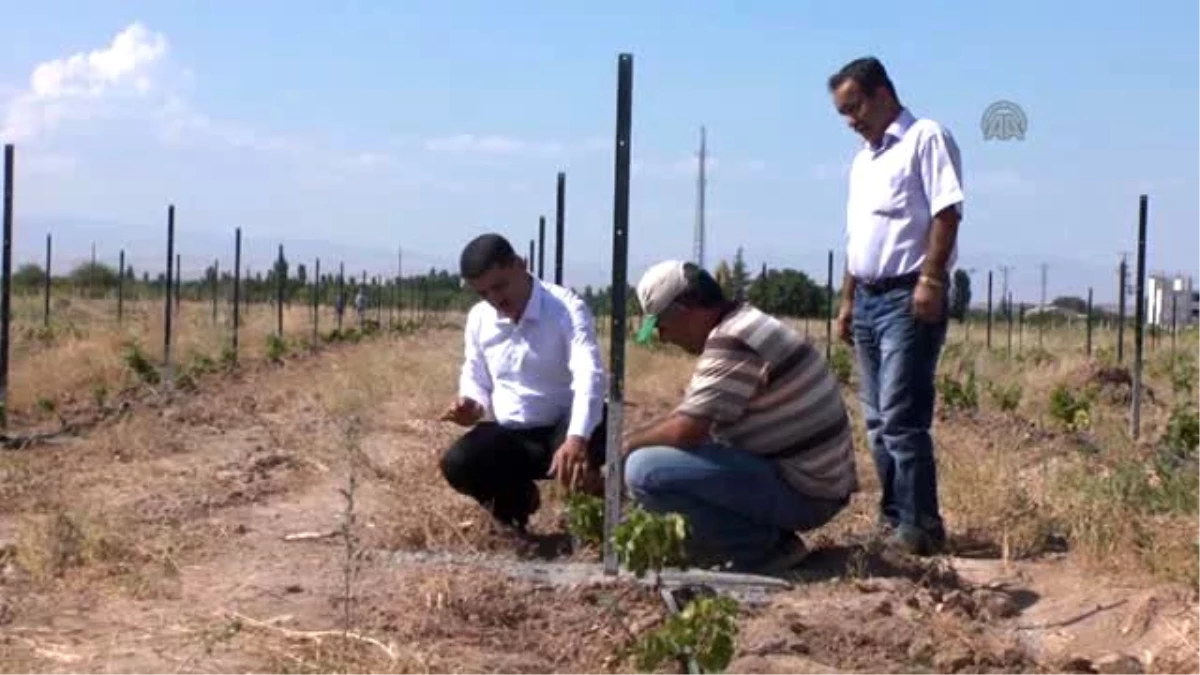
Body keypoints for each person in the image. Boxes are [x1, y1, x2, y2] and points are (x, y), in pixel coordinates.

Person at [622, 260, 858, 574]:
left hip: (807, 491)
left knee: (644, 471)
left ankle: (762, 548)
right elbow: (690, 415)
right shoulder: (740, 325)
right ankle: (762, 540)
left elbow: (687, 431)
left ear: (683, 309)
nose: (663, 338)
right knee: (655, 460)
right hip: (811, 482)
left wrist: (622, 449)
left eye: (661, 326)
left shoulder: (734, 339)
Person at [828, 56, 965, 555]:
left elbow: (947, 212)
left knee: (903, 417)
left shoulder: (925, 137)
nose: (851, 121)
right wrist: (846, 301)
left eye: (855, 106)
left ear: (883, 92)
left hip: (908, 296)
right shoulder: (864, 162)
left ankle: (921, 526)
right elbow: (857, 238)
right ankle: (893, 520)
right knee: (877, 421)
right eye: (843, 113)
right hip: (866, 298)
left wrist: (931, 278)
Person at [438, 233, 608, 534]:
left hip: (563, 427)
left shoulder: (565, 308)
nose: (496, 300)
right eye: (483, 293)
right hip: (513, 436)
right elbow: (475, 374)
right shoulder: (480, 319)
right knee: (460, 462)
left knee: (587, 443)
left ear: (520, 265)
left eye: (500, 285)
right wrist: (471, 404)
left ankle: (598, 519)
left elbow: (589, 375)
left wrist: (577, 438)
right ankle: (517, 507)